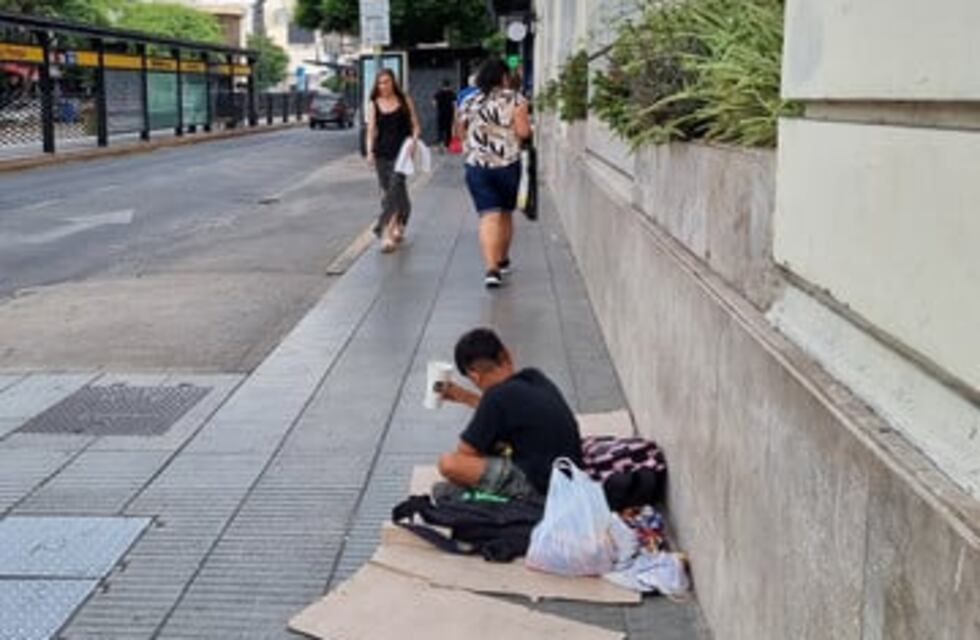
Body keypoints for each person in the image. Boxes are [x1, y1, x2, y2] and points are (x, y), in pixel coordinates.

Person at [436, 328, 583, 499]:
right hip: (569, 470)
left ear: (474, 376)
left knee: (449, 463)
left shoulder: (496, 397)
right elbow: (507, 413)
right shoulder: (534, 377)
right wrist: (466, 397)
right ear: (506, 354)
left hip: (541, 483)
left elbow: (464, 454)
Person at [456, 59, 532, 288]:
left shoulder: (468, 99)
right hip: (508, 164)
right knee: (506, 213)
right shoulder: (516, 99)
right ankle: (502, 259)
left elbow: (460, 132)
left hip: (477, 166)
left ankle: (491, 269)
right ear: (504, 76)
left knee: (489, 215)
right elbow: (523, 132)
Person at [365, 69, 421, 252]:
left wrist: (413, 141)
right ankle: (399, 222)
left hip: (402, 153)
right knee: (394, 193)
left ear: (393, 82)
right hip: (382, 153)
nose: (383, 86)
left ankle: (386, 232)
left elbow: (415, 125)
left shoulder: (404, 101)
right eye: (380, 83)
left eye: (387, 82)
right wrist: (369, 151)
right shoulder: (374, 103)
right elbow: (371, 129)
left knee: (394, 189)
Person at [432, 79, 456, 151]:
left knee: (440, 130)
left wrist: (439, 106)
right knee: (448, 130)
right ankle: (447, 145)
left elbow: (434, 104)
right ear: (449, 85)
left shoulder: (438, 94)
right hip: (449, 114)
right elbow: (454, 105)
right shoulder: (452, 94)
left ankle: (440, 143)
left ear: (442, 85)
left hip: (441, 114)